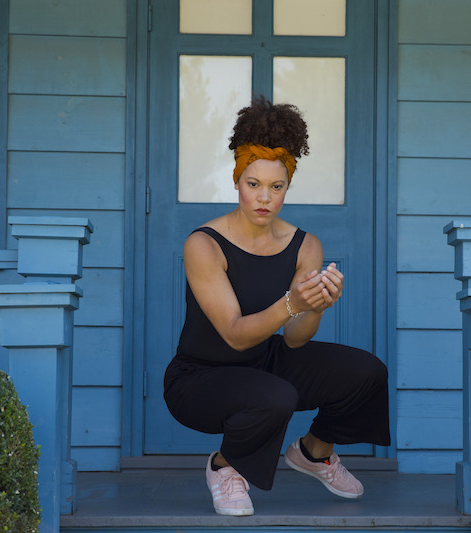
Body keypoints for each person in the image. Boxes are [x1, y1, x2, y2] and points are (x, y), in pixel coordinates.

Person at [163, 96, 390, 517]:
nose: (264, 198)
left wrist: (316, 305)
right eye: (253, 185)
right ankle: (224, 466)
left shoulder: (306, 245)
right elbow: (233, 333)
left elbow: (295, 339)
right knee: (276, 396)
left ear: (288, 186)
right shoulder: (203, 244)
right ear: (237, 181)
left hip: (266, 362)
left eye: (276, 186)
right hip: (200, 377)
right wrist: (292, 301)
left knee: (367, 371)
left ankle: (315, 452)